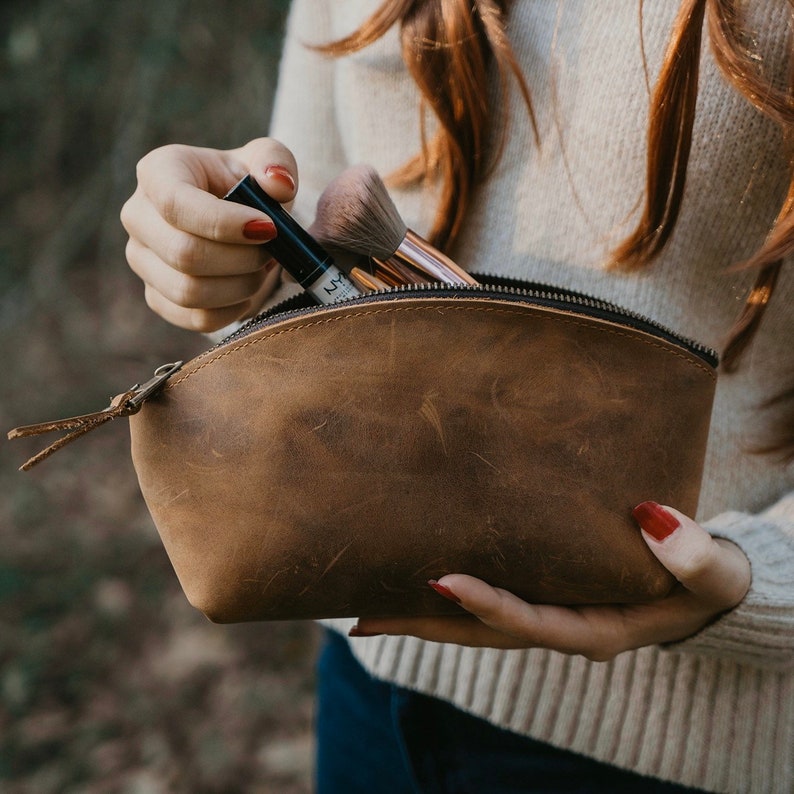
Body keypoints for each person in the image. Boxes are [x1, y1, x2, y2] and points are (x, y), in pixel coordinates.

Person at [121, 2, 794, 792]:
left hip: (684, 741)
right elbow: (296, 258)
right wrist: (214, 264)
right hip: (369, 687)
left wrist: (760, 578)